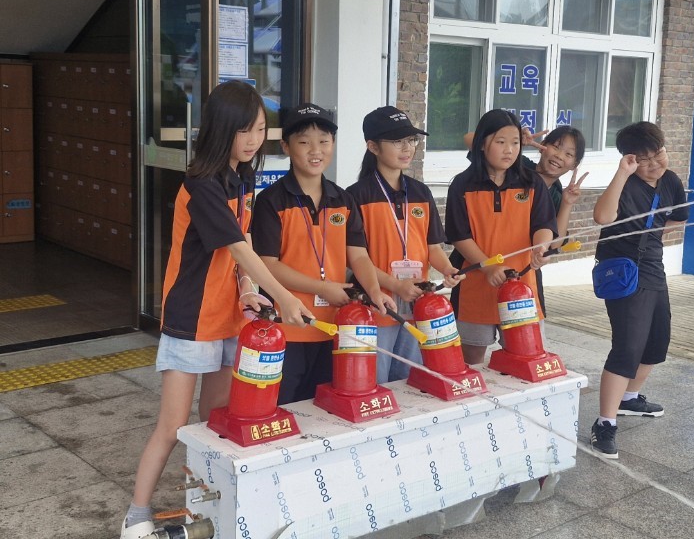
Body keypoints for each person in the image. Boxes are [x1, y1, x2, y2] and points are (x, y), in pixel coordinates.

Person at [121, 81, 311, 539]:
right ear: (220, 129)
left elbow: (239, 250)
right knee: (173, 426)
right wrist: (284, 297)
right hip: (191, 320)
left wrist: (247, 288)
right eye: (244, 130)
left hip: (229, 318)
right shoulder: (201, 184)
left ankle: (204, 509)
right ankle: (136, 514)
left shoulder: (241, 178)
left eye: (260, 129)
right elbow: (239, 248)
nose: (253, 140)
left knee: (213, 425)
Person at [250, 103, 396, 404]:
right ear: (286, 147)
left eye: (324, 141)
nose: (316, 150)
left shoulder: (343, 200)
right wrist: (322, 288)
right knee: (283, 405)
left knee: (325, 406)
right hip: (287, 326)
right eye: (304, 142)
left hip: (335, 326)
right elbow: (267, 265)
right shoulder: (271, 201)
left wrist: (374, 290)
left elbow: (359, 256)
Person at [590, 121, 688, 460]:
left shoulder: (671, 181)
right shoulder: (626, 183)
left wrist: (650, 235)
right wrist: (622, 173)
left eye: (657, 154)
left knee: (657, 341)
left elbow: (678, 218)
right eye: (642, 159)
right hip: (622, 271)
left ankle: (630, 398)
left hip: (653, 268)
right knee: (628, 347)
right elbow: (602, 216)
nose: (653, 163)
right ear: (630, 159)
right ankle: (605, 422)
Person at [346, 106, 462, 383]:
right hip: (377, 305)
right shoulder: (356, 195)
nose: (407, 147)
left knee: (410, 380)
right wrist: (396, 285)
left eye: (411, 140)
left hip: (418, 302)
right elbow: (356, 259)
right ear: (373, 147)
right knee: (376, 381)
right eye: (397, 141)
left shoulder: (420, 192)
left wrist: (447, 268)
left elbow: (433, 247)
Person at [445, 109, 558, 365]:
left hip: (523, 285)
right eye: (501, 142)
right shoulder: (462, 184)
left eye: (515, 143)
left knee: (526, 356)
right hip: (475, 285)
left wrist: (540, 248)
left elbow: (543, 224)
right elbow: (459, 236)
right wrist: (488, 267)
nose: (509, 150)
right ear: (481, 144)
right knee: (470, 360)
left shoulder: (532, 182)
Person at [464, 125, 587, 314]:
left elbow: (554, 244)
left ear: (574, 165)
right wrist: (516, 143)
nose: (559, 156)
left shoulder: (556, 193)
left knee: (526, 330)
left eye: (569, 154)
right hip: (484, 264)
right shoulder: (516, 165)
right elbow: (469, 138)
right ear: (543, 145)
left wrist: (567, 203)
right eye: (556, 147)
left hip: (525, 273)